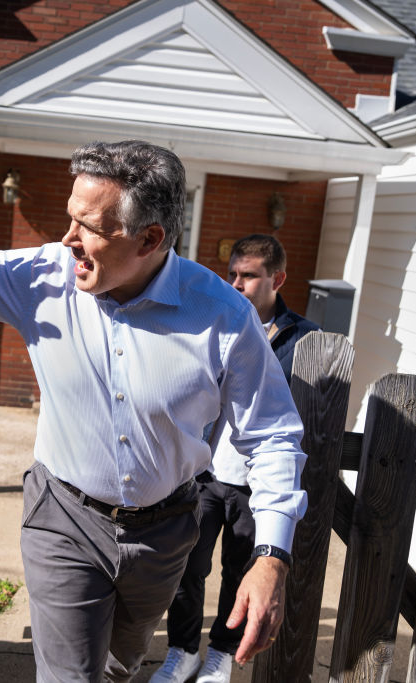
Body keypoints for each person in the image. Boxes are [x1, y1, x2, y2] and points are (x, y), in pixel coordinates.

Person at [0, 88, 307, 682]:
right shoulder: (43, 279)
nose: (67, 240)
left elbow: (272, 439)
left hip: (164, 538)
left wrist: (271, 558)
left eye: (87, 227)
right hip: (65, 519)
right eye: (70, 218)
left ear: (149, 241)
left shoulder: (223, 315)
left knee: (119, 663)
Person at [152, 233, 319, 683]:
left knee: (238, 574)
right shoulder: (217, 321)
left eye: (249, 276)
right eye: (232, 274)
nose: (237, 283)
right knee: (188, 568)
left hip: (254, 484)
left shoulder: (305, 340)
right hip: (205, 473)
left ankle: (220, 655)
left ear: (277, 279)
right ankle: (183, 650)